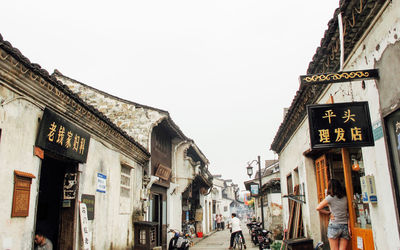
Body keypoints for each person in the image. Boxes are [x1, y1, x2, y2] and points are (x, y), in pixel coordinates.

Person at [316, 179, 351, 250]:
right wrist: (349, 226)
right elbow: (349, 212)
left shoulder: (330, 198)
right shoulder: (345, 198)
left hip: (334, 225)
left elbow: (318, 208)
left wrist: (329, 213)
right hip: (345, 225)